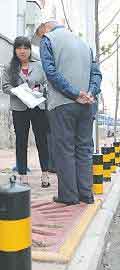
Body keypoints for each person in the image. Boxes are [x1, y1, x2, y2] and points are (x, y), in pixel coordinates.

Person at [35, 20, 102, 205]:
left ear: (45, 29)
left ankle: (69, 196)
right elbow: (96, 73)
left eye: (40, 34)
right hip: (87, 104)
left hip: (62, 104)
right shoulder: (85, 44)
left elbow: (51, 72)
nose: (41, 38)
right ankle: (86, 194)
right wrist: (90, 92)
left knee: (64, 150)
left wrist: (74, 93)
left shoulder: (48, 40)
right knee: (84, 149)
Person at [2, 36, 50, 188]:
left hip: (37, 107)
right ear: (15, 50)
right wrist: (17, 91)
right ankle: (22, 175)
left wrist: (39, 89)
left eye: (26, 48)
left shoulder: (40, 66)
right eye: (19, 48)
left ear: (30, 50)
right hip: (19, 108)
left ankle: (45, 174)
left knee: (41, 140)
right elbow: (4, 86)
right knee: (21, 141)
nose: (22, 51)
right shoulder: (10, 68)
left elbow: (46, 85)